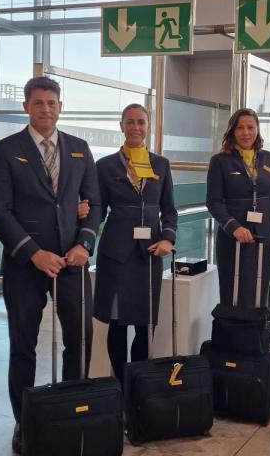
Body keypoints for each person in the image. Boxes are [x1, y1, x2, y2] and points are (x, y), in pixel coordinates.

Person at [0, 76, 101, 454]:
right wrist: (33, 252)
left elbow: (94, 203)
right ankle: (25, 422)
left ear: (60, 107)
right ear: (26, 107)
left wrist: (85, 243)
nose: (45, 109)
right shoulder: (5, 150)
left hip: (72, 262)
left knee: (79, 340)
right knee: (23, 345)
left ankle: (72, 413)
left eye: (52, 103)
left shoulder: (80, 149)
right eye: (38, 103)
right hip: (25, 265)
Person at [93, 104, 178, 384]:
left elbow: (170, 210)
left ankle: (137, 385)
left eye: (141, 122)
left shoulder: (161, 164)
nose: (136, 128)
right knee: (117, 324)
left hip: (149, 255)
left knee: (144, 325)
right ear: (121, 126)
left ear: (148, 126)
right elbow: (97, 210)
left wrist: (167, 238)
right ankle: (120, 384)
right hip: (116, 254)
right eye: (130, 122)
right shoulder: (105, 166)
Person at [206, 108, 270, 308]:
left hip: (264, 238)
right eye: (240, 128)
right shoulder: (220, 161)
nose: (246, 133)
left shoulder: (269, 159)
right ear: (232, 131)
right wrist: (234, 227)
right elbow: (214, 202)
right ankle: (232, 330)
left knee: (258, 297)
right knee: (232, 295)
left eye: (250, 127)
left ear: (257, 129)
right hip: (232, 239)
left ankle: (256, 330)